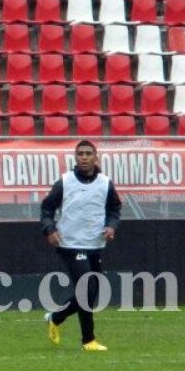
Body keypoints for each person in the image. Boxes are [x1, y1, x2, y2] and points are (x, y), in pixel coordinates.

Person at [39, 139, 123, 352]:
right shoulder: (65, 182)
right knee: (87, 288)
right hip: (70, 244)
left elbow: (114, 210)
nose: (84, 157)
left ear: (96, 158)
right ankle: (88, 340)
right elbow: (47, 209)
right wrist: (50, 229)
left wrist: (111, 226)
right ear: (75, 158)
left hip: (95, 244)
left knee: (90, 294)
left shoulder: (105, 183)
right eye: (80, 154)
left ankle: (55, 318)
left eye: (88, 153)